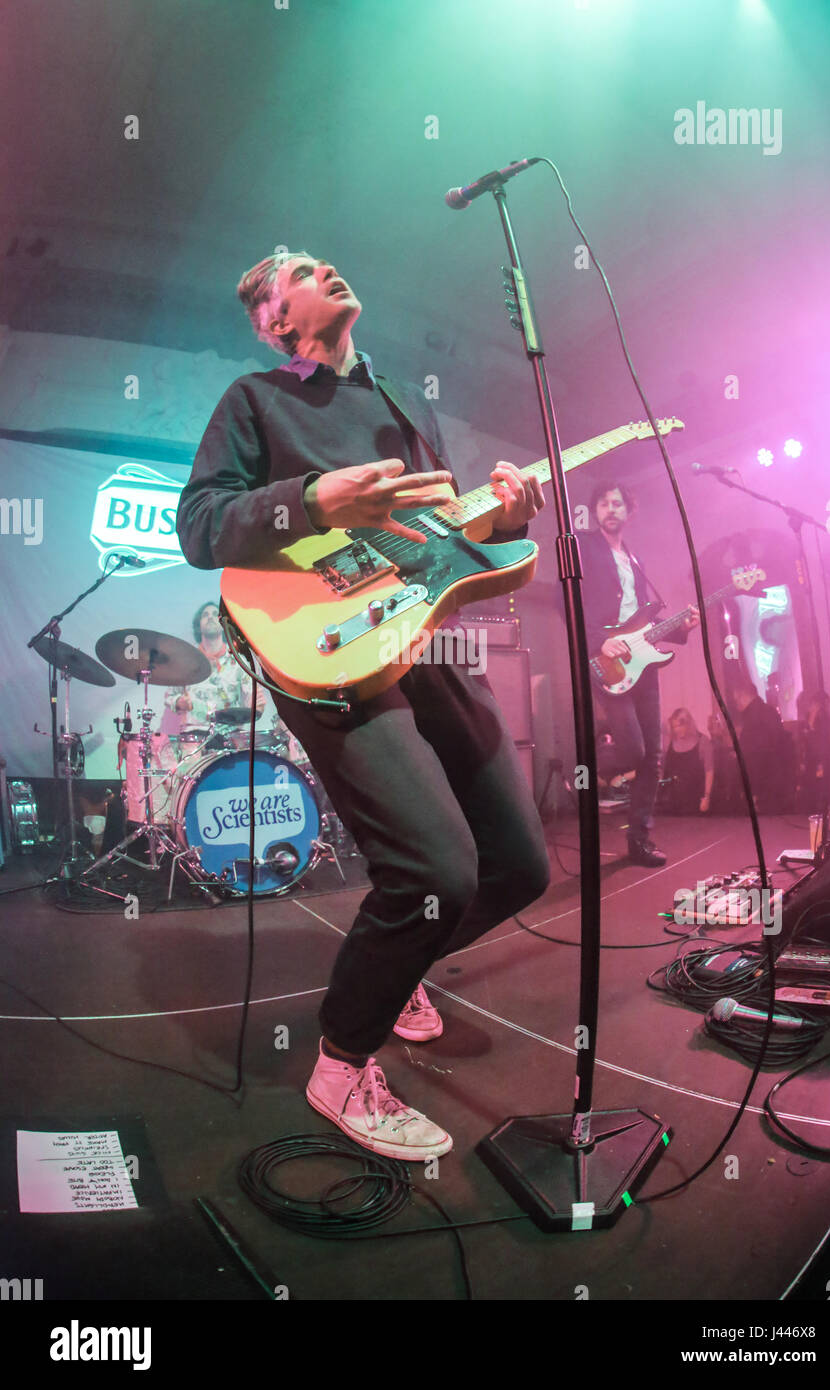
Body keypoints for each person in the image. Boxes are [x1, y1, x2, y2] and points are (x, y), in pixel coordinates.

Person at [175, 248, 550, 1161]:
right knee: (433, 869)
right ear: (276, 322)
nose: (328, 268)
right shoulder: (255, 400)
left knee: (519, 864)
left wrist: (504, 518)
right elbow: (199, 524)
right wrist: (310, 498)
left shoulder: (398, 407)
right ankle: (342, 1063)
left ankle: (402, 968)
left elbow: (444, 538)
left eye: (326, 261)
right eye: (301, 271)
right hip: (329, 650)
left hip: (422, 637)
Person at [580, 481, 698, 866]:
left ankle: (639, 840)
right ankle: (585, 771)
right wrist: (598, 641)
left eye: (617, 503)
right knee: (633, 749)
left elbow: (643, 619)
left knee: (653, 758)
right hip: (608, 660)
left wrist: (682, 626)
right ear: (595, 511)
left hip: (642, 663)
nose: (610, 509)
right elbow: (568, 603)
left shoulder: (635, 560)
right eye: (603, 503)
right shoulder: (584, 548)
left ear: (628, 512)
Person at [163, 600, 264, 735]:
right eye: (205, 615)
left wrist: (256, 706)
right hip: (194, 734)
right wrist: (179, 702)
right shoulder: (186, 659)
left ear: (223, 624)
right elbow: (169, 696)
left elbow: (255, 701)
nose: (210, 617)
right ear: (198, 625)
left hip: (230, 735)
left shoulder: (238, 661)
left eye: (215, 614)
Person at [728, 674, 790, 813]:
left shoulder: (752, 718)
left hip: (763, 783)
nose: (736, 704)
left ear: (743, 696)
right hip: (776, 779)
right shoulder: (770, 712)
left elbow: (755, 754)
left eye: (736, 699)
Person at [662, 708, 714, 815]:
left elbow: (709, 771)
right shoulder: (669, 743)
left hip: (696, 801)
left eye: (679, 726)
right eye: (674, 727)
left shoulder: (703, 741)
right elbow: (664, 771)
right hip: (673, 802)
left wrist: (707, 796)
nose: (676, 730)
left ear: (688, 724)